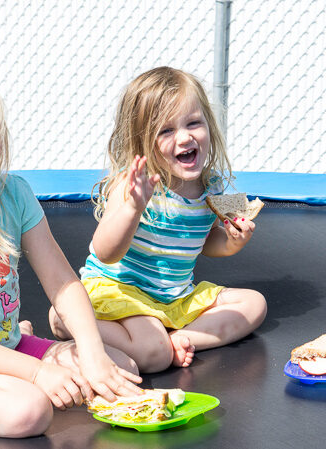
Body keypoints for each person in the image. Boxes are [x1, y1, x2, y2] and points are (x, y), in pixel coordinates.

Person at [0, 48, 142, 438]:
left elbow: (61, 281)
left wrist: (91, 352)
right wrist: (38, 372)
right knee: (28, 410)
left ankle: (16, 357)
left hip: (3, 346)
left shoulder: (14, 194)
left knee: (119, 368)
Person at [49, 66, 267, 374]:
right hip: (121, 291)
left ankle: (182, 338)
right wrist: (132, 209)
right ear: (143, 142)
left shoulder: (212, 187)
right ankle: (68, 320)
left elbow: (206, 243)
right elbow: (104, 251)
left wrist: (232, 240)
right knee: (154, 355)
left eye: (194, 123)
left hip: (173, 297)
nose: (185, 137)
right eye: (166, 131)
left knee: (254, 305)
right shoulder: (133, 185)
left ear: (209, 125)